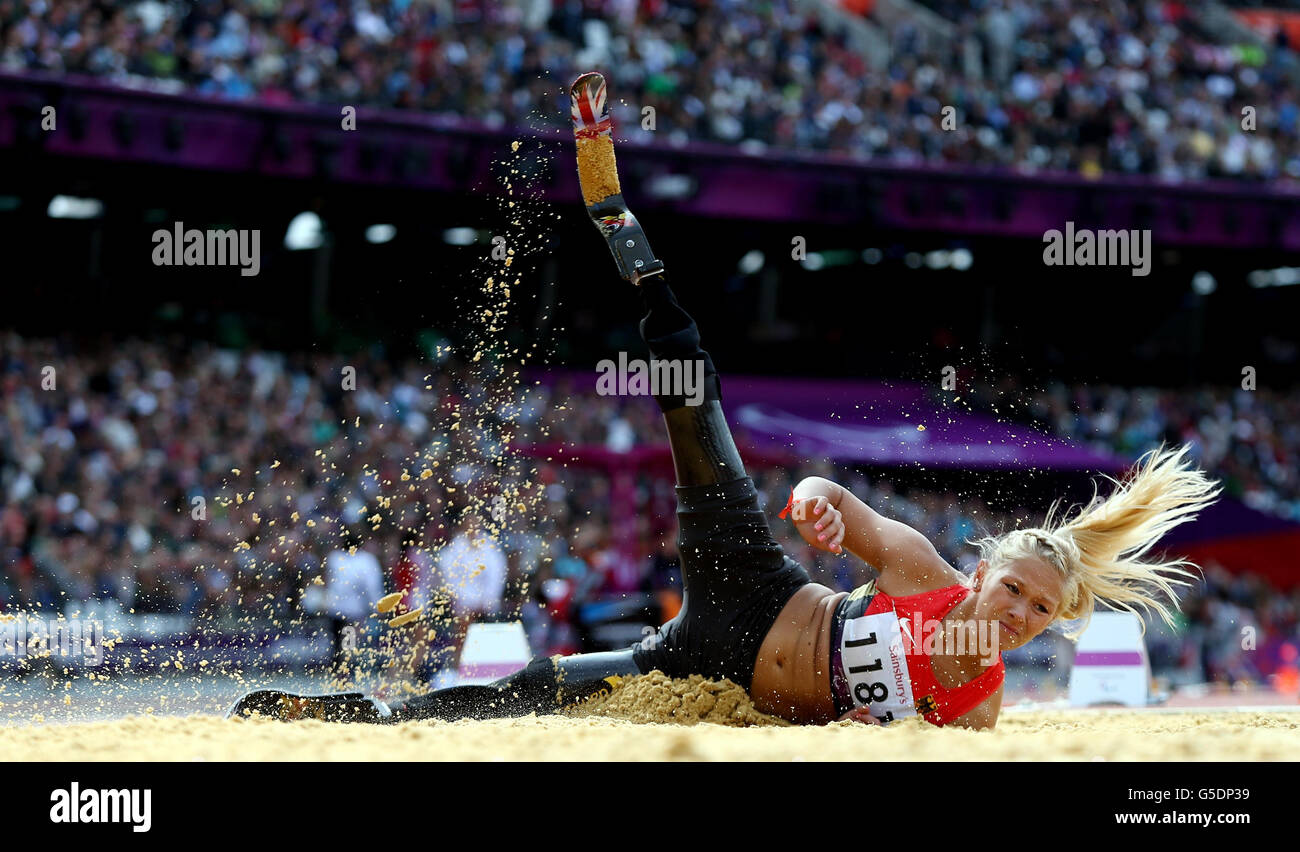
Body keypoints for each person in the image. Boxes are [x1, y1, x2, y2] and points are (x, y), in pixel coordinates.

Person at [228, 259, 1220, 728]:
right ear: (984, 570)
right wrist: (818, 507)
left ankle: (385, 721)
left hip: (713, 672)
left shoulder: (980, 697)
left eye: (1040, 613)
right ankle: (669, 320)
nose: (1022, 614)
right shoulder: (918, 567)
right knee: (697, 439)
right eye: (1017, 591)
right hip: (761, 590)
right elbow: (836, 495)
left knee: (537, 693)